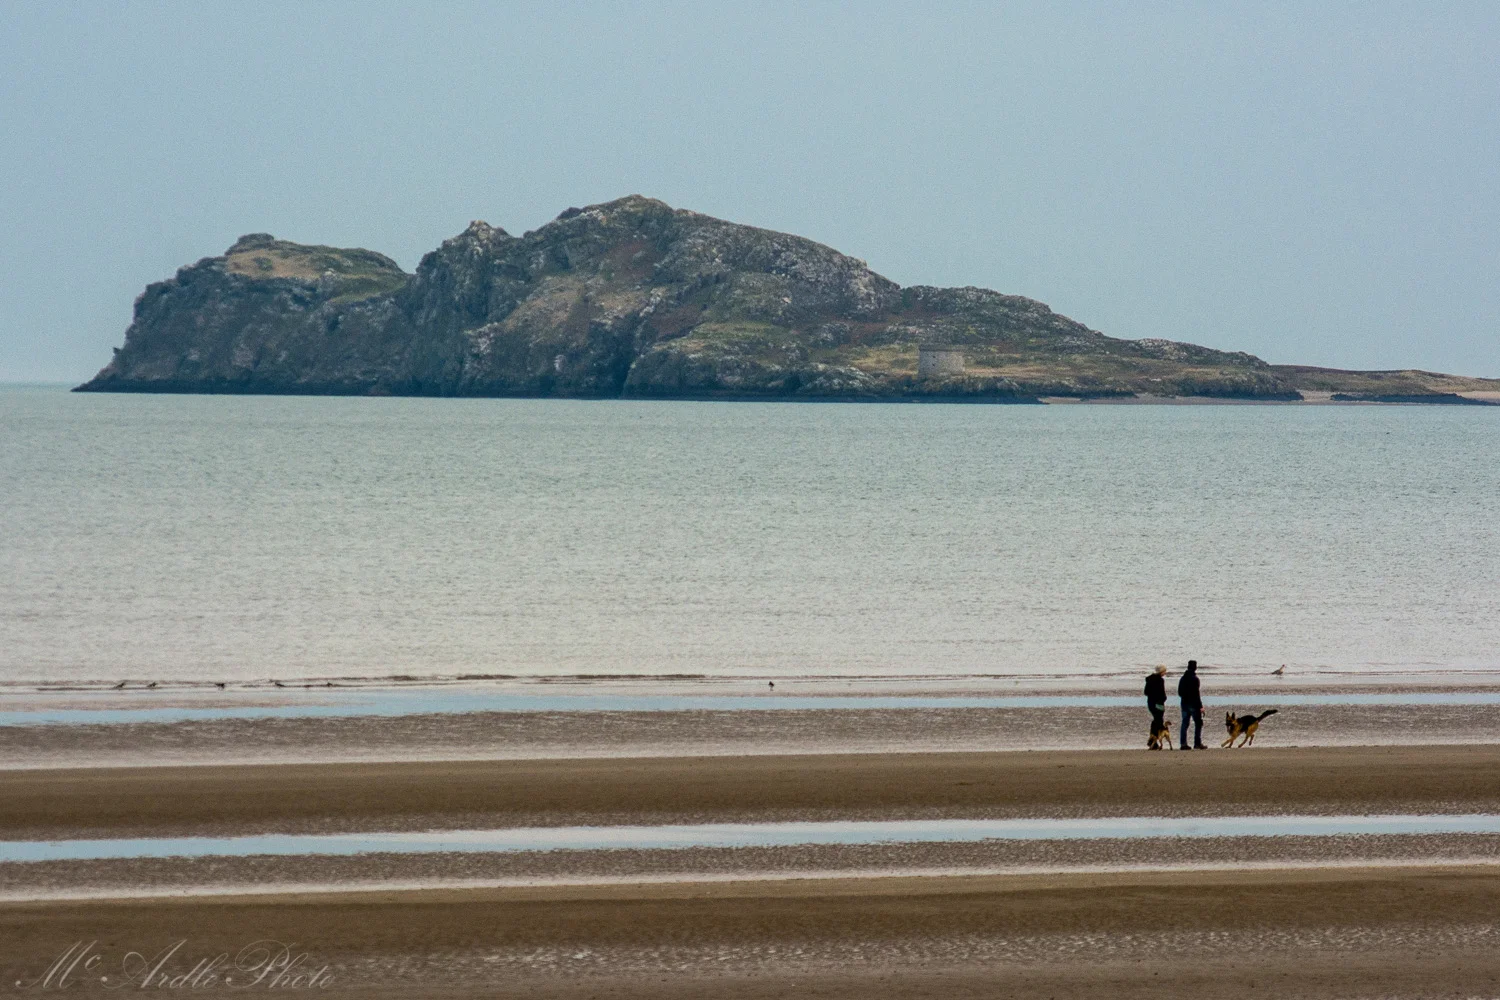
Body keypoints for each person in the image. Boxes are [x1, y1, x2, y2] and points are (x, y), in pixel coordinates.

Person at [1178, 659, 1206, 750]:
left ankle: (1183, 743)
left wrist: (1185, 697)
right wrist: (1201, 706)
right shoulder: (1195, 679)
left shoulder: (1182, 678)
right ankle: (1197, 743)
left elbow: (1179, 692)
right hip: (1194, 704)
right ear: (1195, 668)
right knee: (1198, 723)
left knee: (1185, 724)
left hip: (1184, 704)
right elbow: (1197, 694)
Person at [1144, 665, 1167, 732]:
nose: (1165, 673)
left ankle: (1153, 738)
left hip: (1150, 702)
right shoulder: (1160, 680)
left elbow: (1146, 692)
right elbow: (1162, 692)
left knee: (1157, 719)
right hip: (1158, 703)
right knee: (1159, 720)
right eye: (1164, 671)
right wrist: (1164, 698)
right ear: (1161, 671)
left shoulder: (1149, 679)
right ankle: (1154, 738)